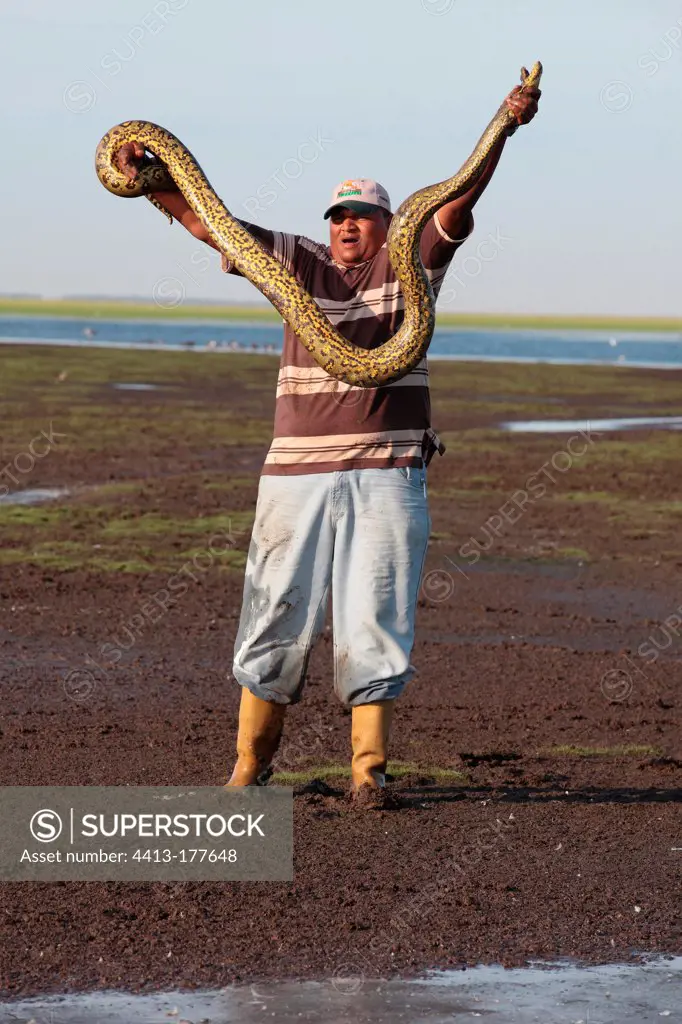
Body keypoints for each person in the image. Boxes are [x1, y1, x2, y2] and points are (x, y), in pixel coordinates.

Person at [115, 76, 540, 806]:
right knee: (274, 606)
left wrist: (502, 126)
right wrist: (147, 177)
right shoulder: (294, 261)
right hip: (294, 478)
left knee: (375, 611)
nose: (349, 226)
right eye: (340, 215)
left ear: (387, 223)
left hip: (387, 472)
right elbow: (209, 224)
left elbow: (461, 200)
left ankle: (367, 774)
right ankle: (251, 766)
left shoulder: (412, 265)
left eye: (364, 216)